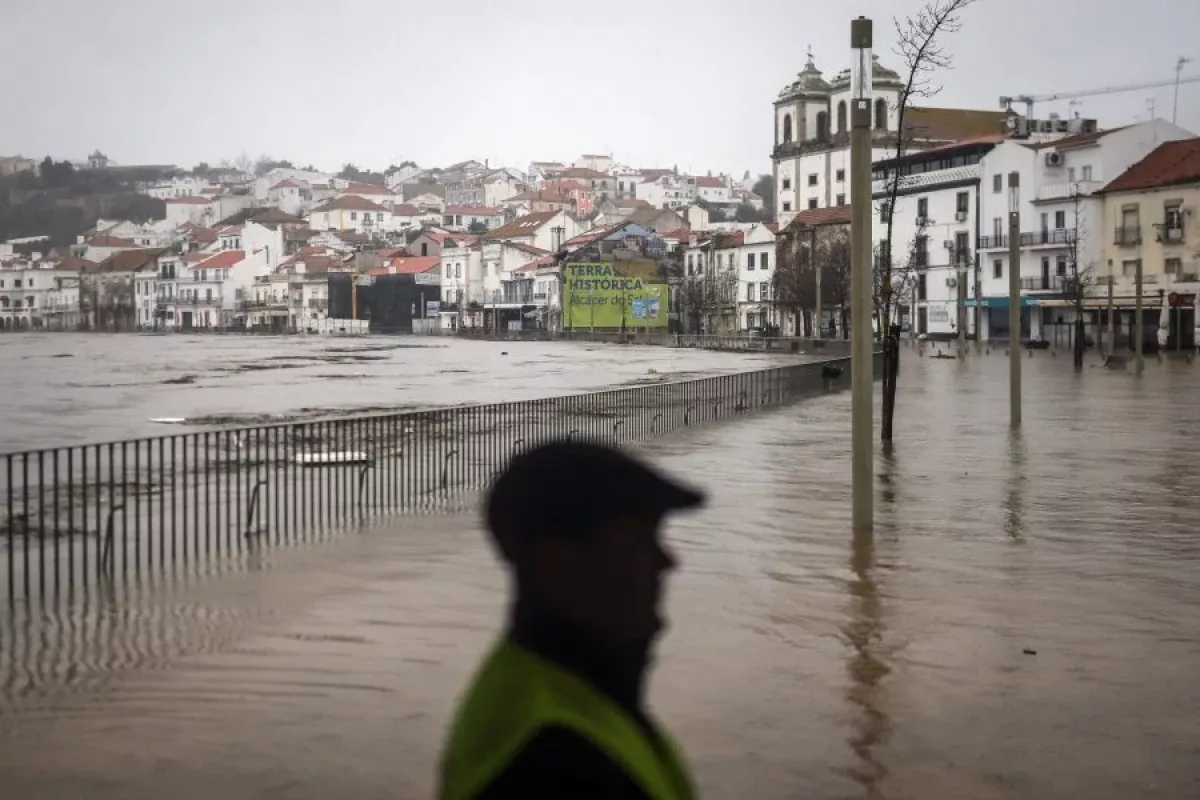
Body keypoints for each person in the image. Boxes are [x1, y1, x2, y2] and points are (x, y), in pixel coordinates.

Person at [438, 440, 705, 799]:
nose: (668, 562)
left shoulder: (557, 688)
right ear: (559, 567)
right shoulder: (557, 758)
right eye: (638, 544)